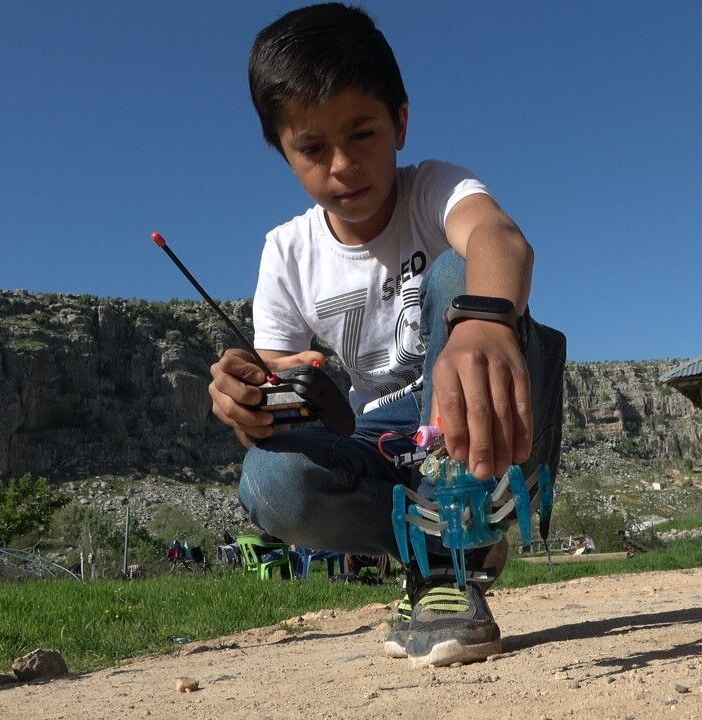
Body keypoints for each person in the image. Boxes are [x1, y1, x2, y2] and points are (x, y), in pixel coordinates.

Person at [208, 3, 565, 667]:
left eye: (363, 133)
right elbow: (282, 383)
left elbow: (500, 239)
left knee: (463, 270)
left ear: (401, 121)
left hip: (485, 415)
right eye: (312, 148)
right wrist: (247, 400)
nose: (342, 165)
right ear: (283, 153)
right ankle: (443, 553)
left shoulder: (434, 188)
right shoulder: (285, 252)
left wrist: (482, 322)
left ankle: (444, 565)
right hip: (378, 441)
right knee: (268, 482)